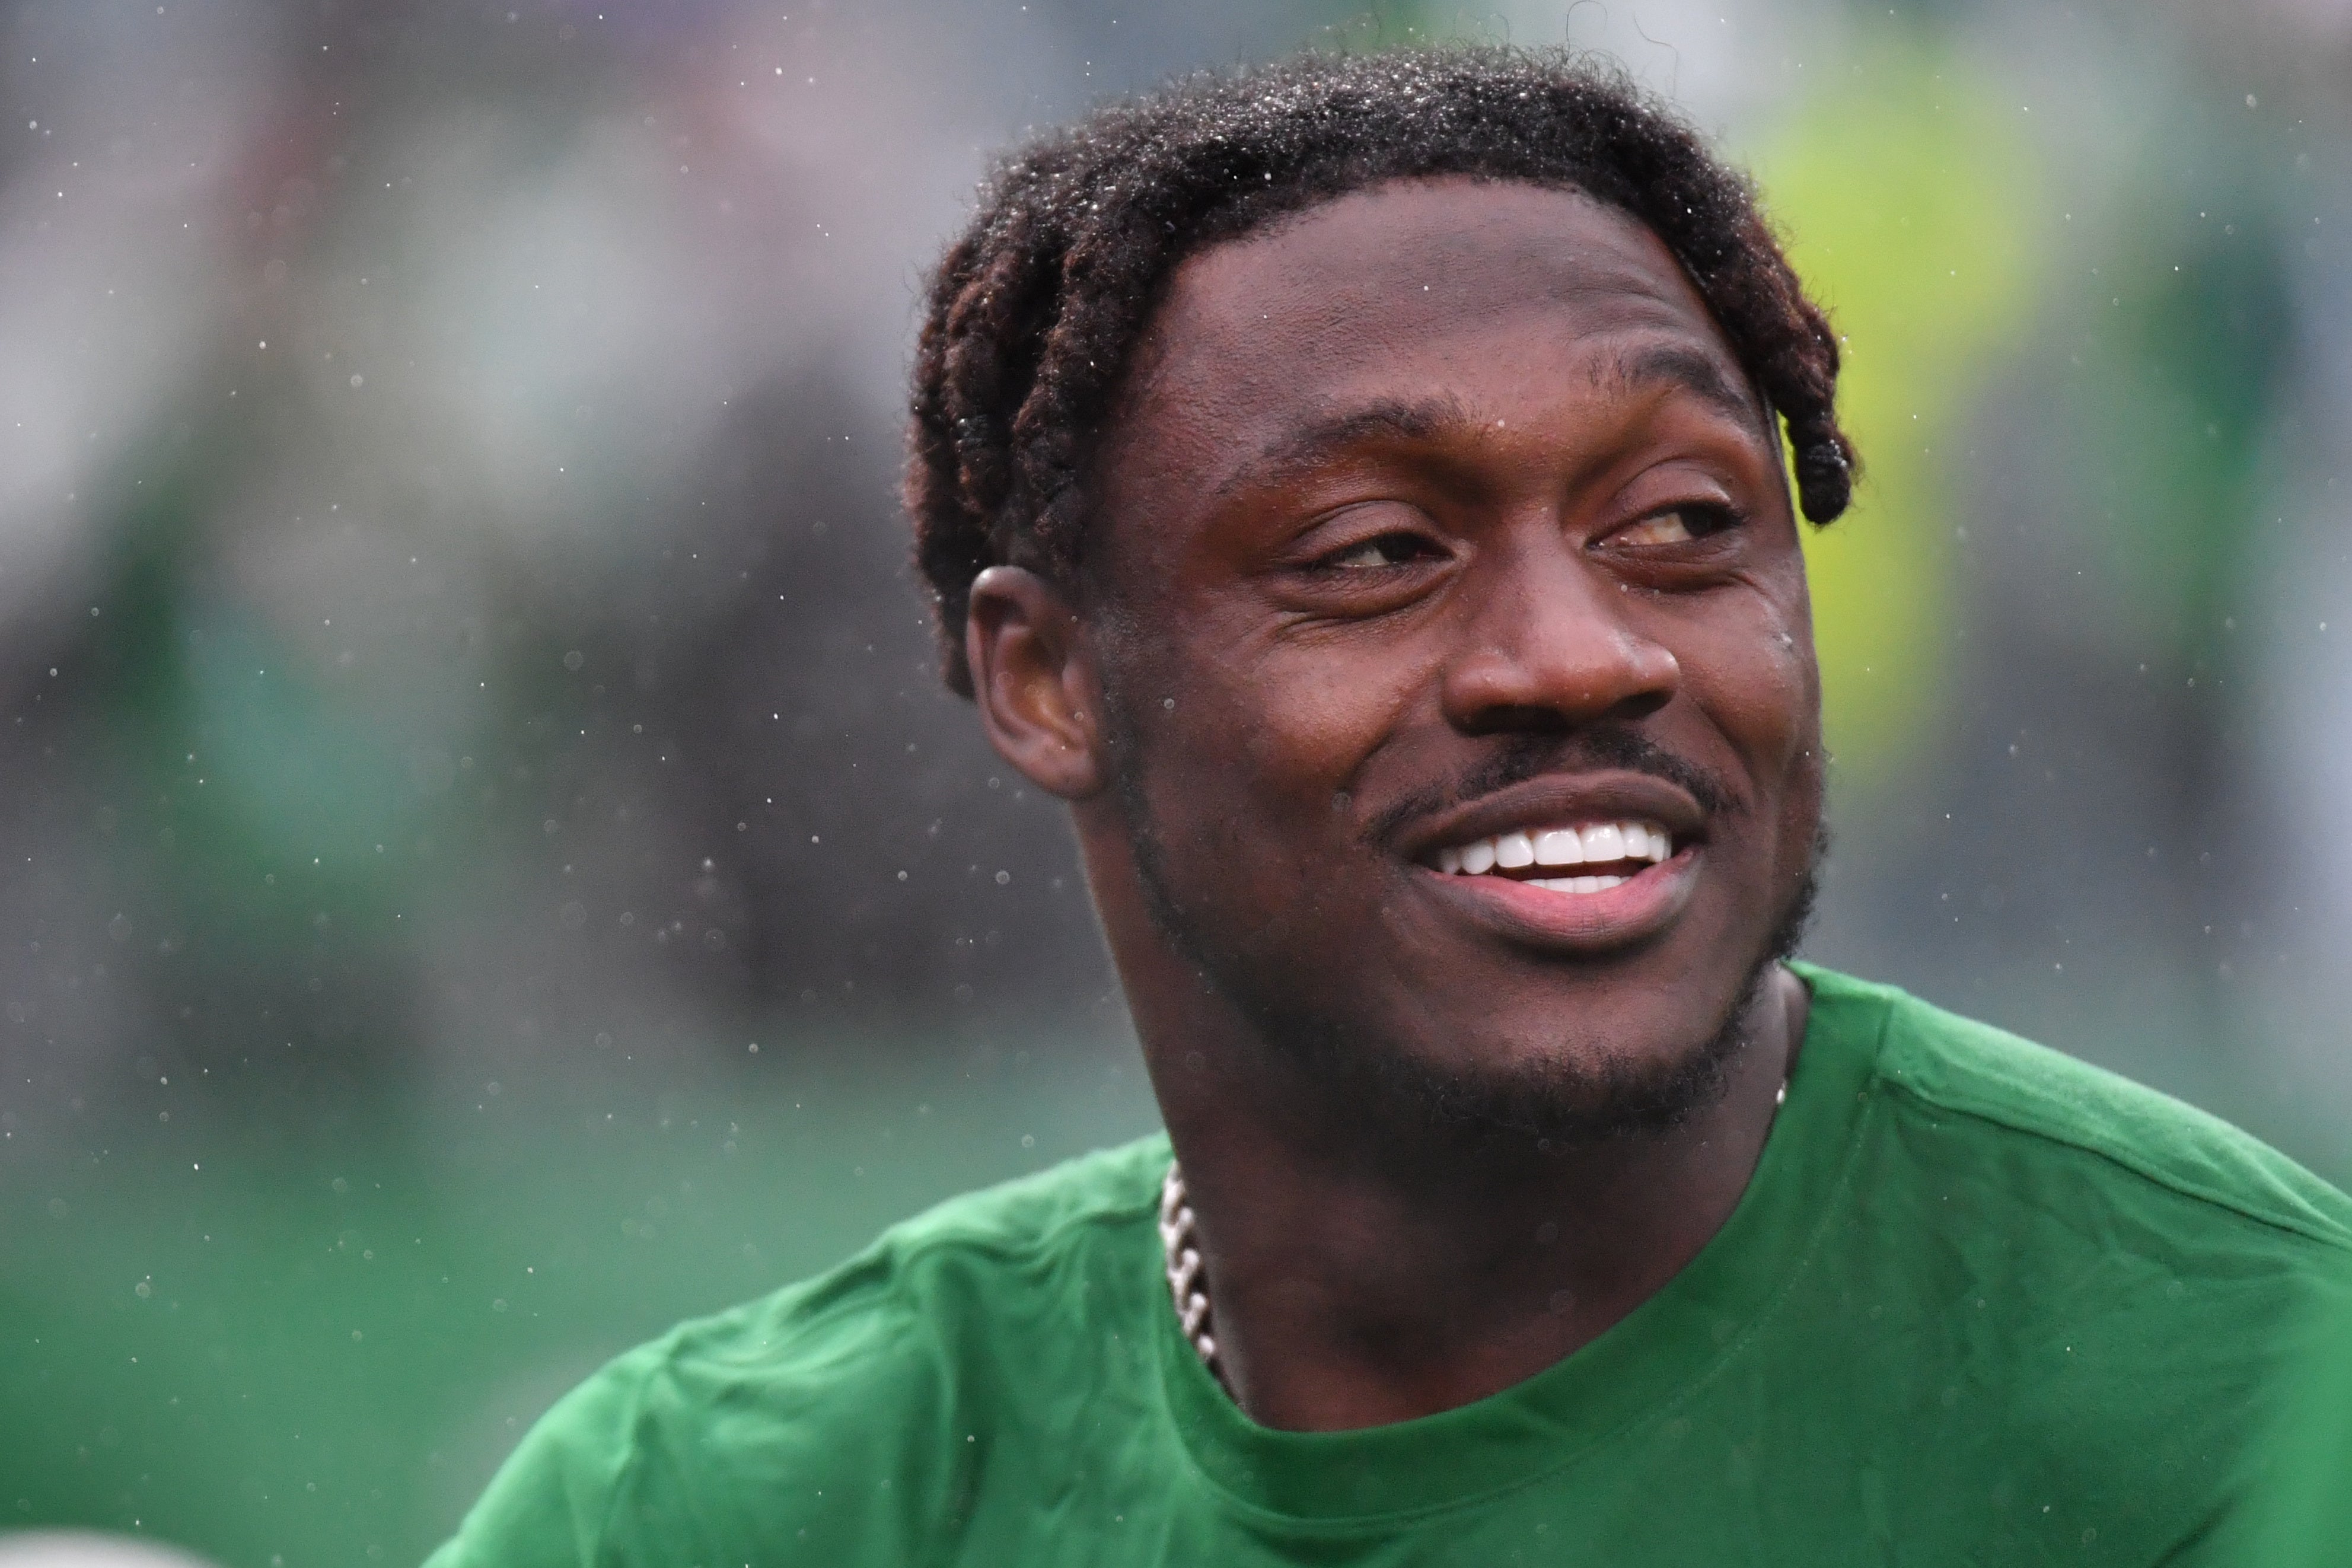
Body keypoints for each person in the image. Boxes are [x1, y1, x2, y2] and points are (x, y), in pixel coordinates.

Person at [425, 47, 2352, 1564]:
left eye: (1683, 523)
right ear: (1047, 677)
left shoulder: (2250, 1402)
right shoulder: (724, 1511)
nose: (1580, 652)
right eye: (1375, 551)